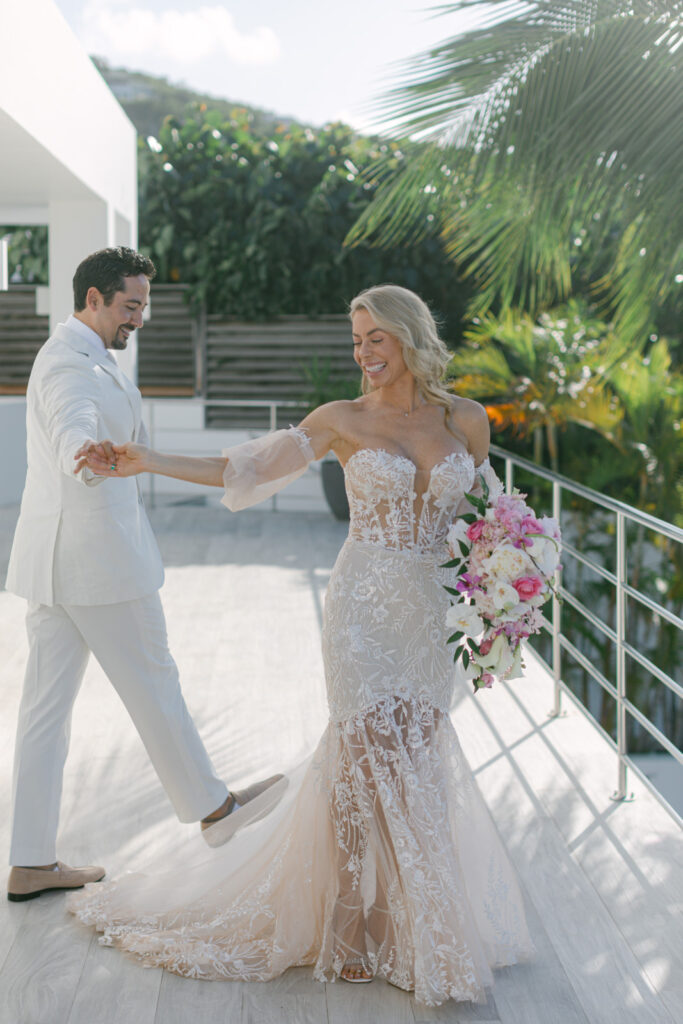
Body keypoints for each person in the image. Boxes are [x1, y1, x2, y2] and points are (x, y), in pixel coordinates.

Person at [69, 284, 533, 1007]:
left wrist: (510, 587)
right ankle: (351, 926)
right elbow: (242, 469)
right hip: (359, 607)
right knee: (361, 755)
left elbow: (489, 521)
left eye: (374, 337)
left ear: (409, 336)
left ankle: (397, 922)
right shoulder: (339, 420)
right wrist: (145, 460)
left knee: (416, 753)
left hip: (428, 613)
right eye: (356, 341)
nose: (363, 353)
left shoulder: (464, 420)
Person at [5, 246, 278, 903]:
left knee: (44, 714)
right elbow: (72, 429)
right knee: (154, 678)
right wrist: (84, 454)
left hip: (54, 566)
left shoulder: (73, 354)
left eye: (144, 306)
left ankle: (30, 861)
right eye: (130, 306)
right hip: (97, 566)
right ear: (93, 299)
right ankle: (212, 807)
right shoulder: (70, 365)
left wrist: (86, 451)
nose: (141, 318)